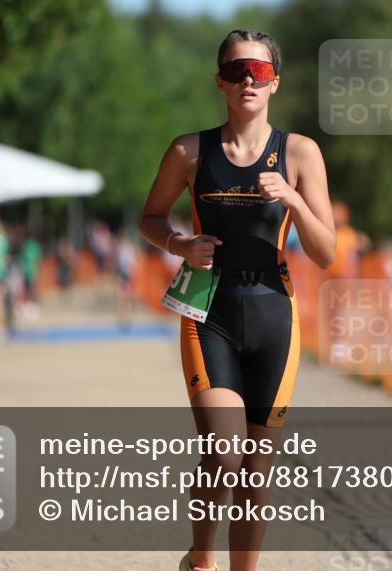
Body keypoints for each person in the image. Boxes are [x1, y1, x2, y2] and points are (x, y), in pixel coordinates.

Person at [139, 29, 336, 571]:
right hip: (210, 309)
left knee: (257, 470)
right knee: (224, 454)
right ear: (220, 81)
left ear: (276, 82)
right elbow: (150, 219)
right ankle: (201, 562)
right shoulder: (188, 150)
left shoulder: (299, 152)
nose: (248, 80)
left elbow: (326, 252)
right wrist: (179, 243)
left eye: (260, 71)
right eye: (236, 71)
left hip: (275, 311)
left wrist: (294, 196)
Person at [326, 200, 370, 279]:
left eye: (339, 214)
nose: (336, 216)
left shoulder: (349, 234)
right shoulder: (329, 233)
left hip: (348, 277)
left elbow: (364, 244)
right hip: (331, 277)